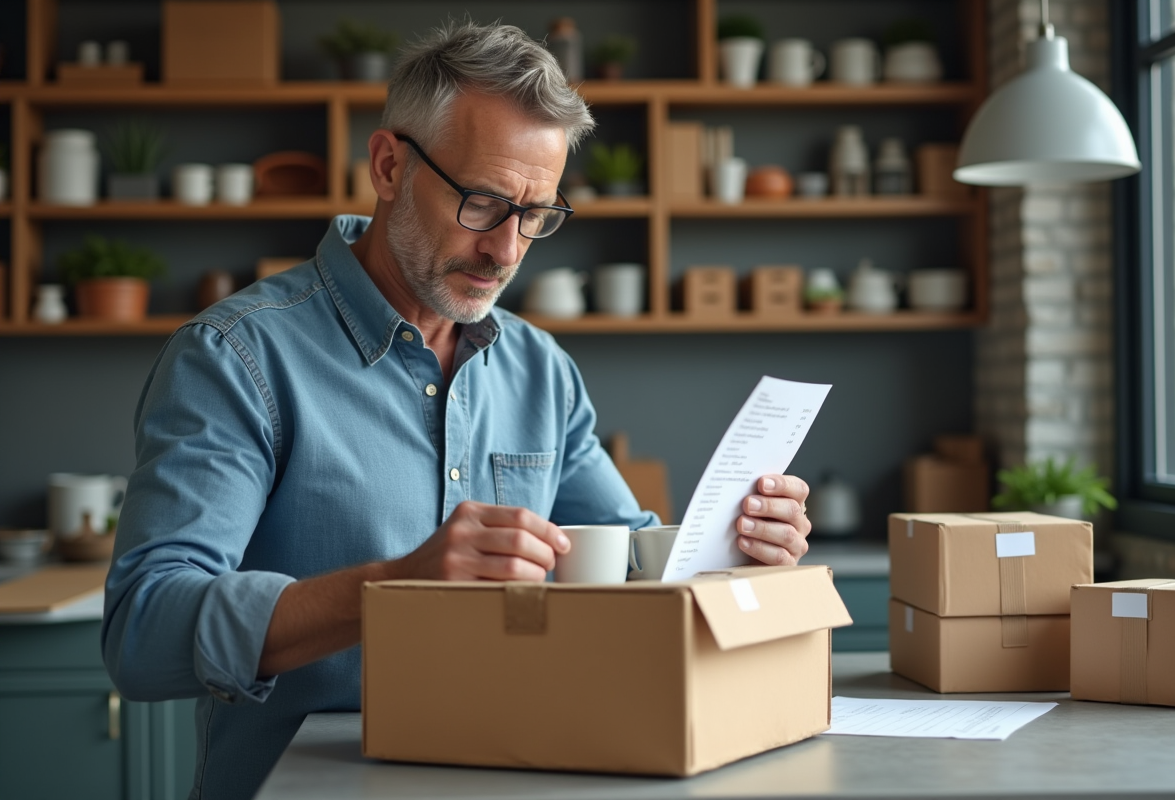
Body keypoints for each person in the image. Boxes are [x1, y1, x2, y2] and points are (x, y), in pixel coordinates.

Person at [101, 20, 813, 800]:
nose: (507, 250)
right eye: (482, 203)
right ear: (388, 166)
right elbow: (144, 631)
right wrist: (396, 588)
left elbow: (629, 566)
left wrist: (730, 546)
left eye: (536, 215)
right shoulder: (236, 357)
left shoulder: (541, 370)